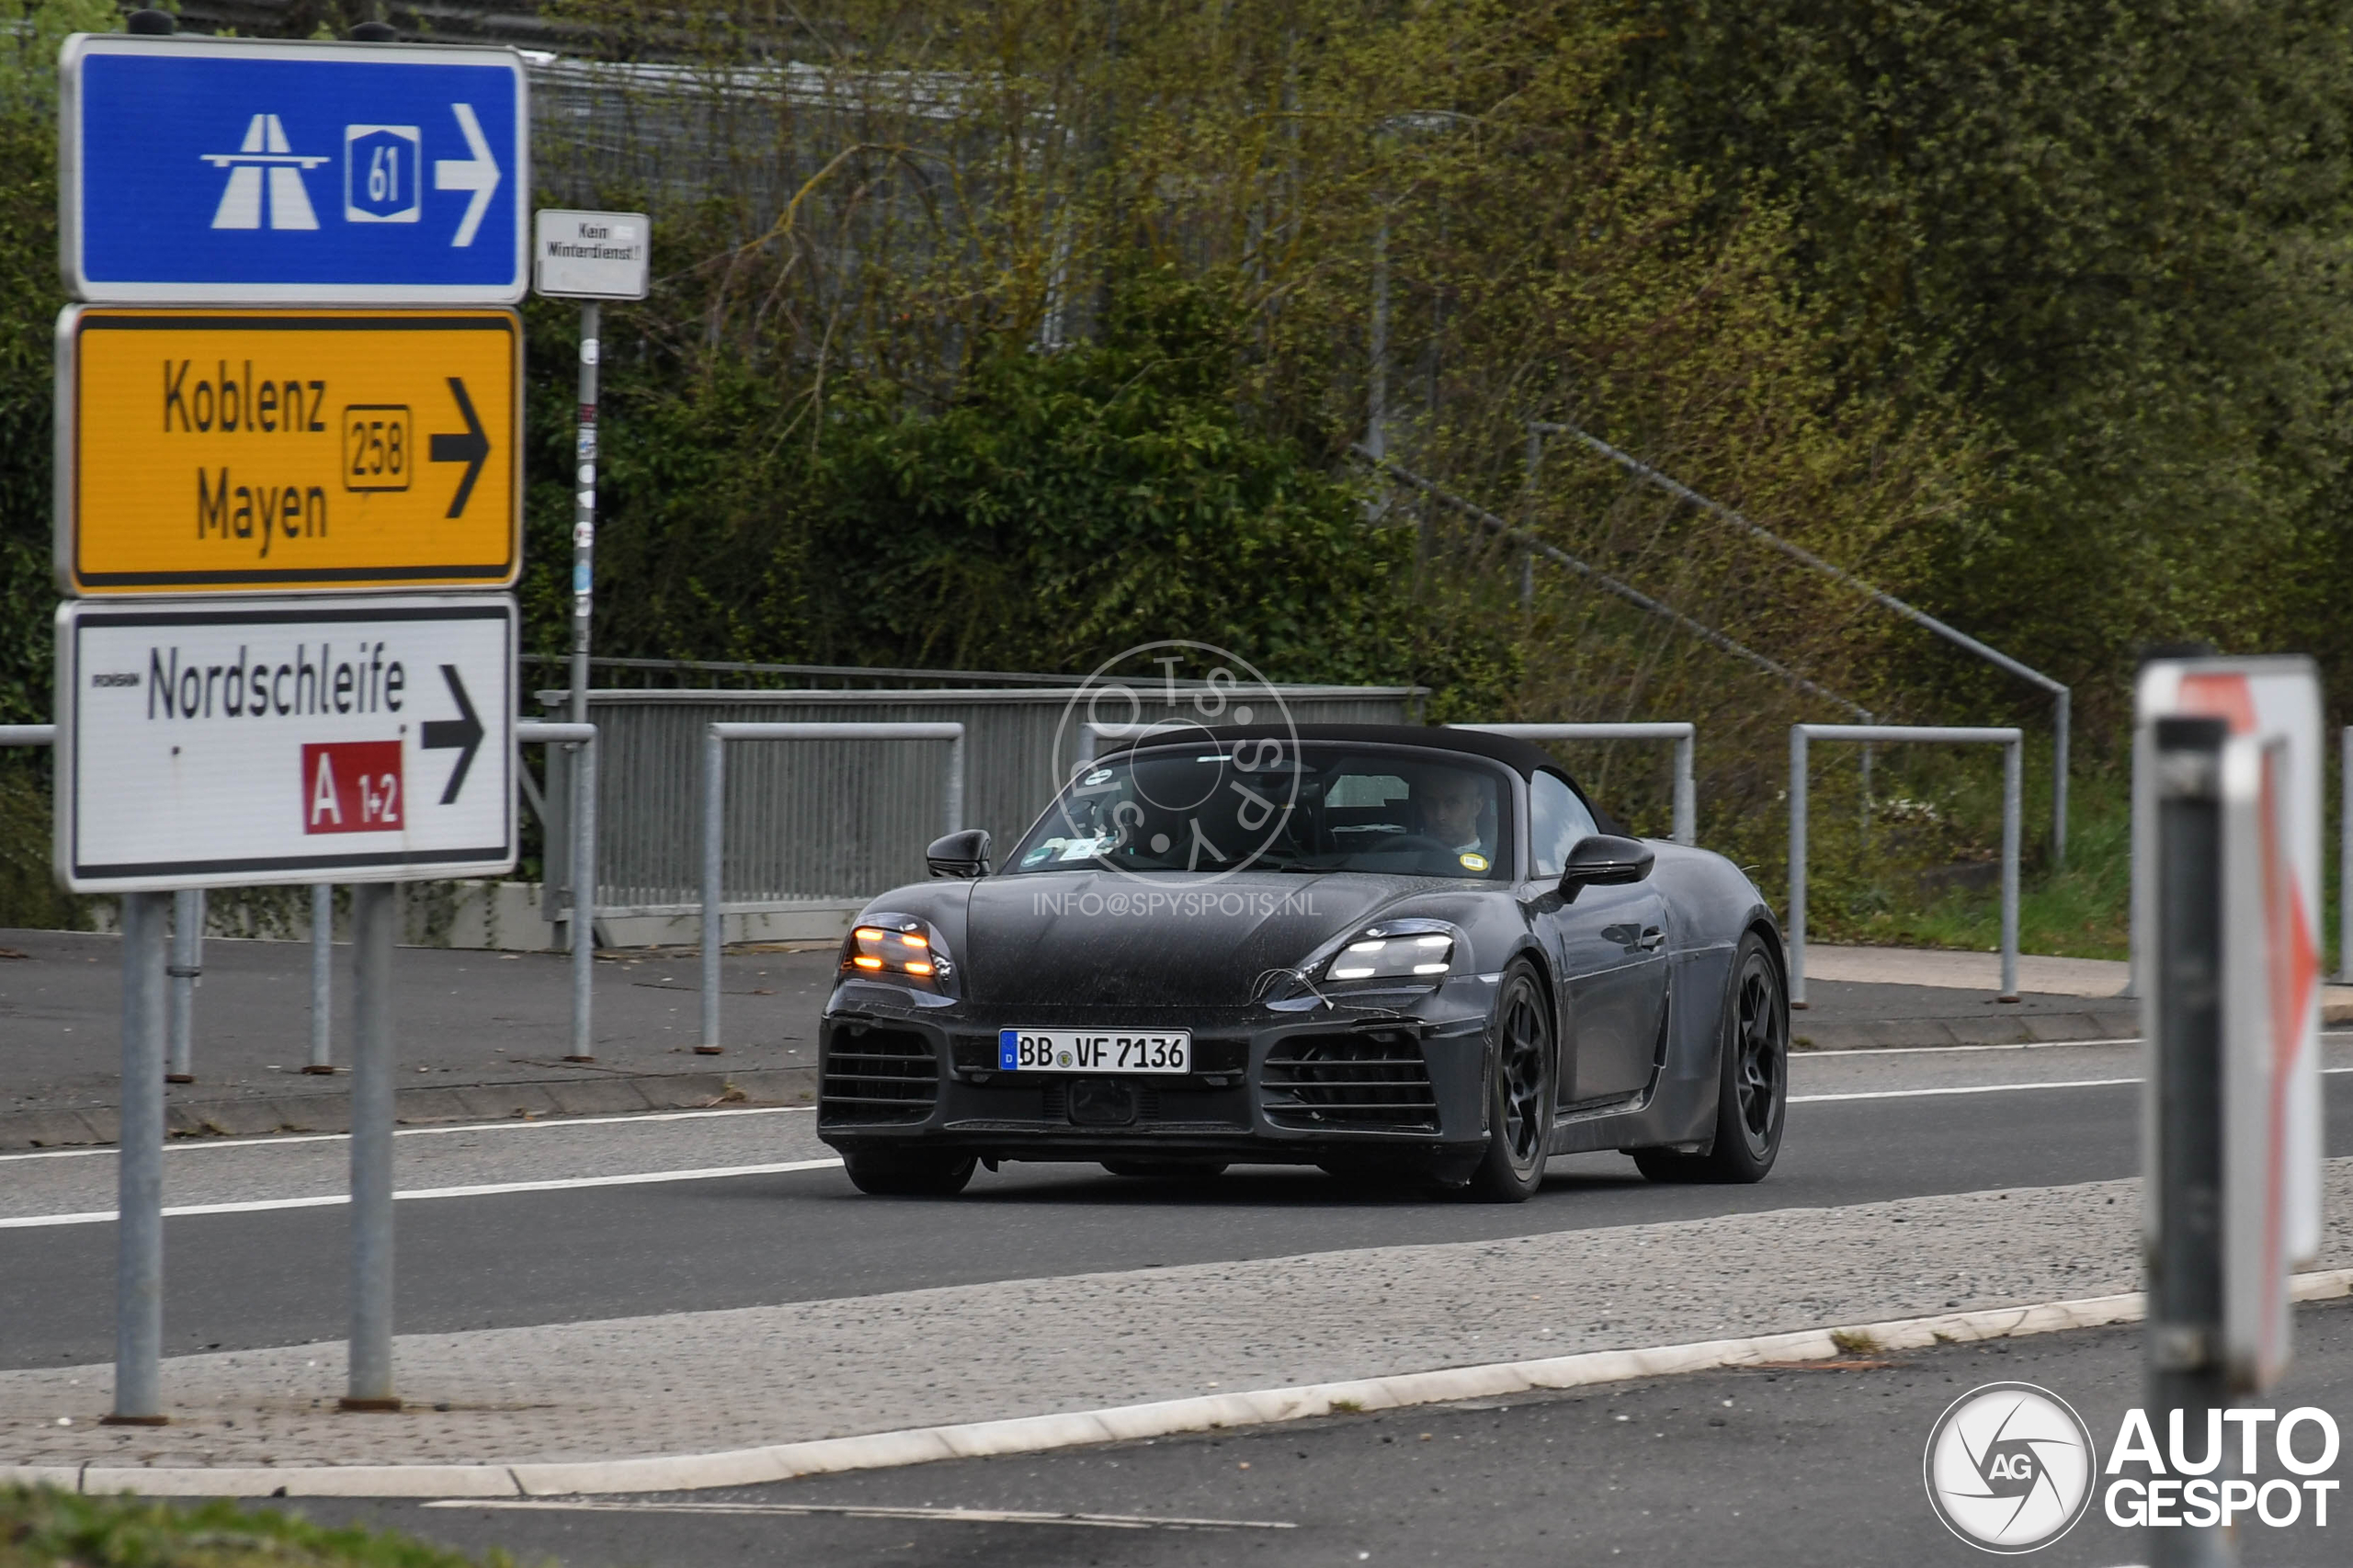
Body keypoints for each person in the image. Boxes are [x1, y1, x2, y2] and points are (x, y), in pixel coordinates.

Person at [1417, 768, 1492, 860]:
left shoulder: (1495, 863)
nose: (1440, 816)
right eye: (1430, 803)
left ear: (1476, 807)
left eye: (1452, 803)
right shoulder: (1405, 856)